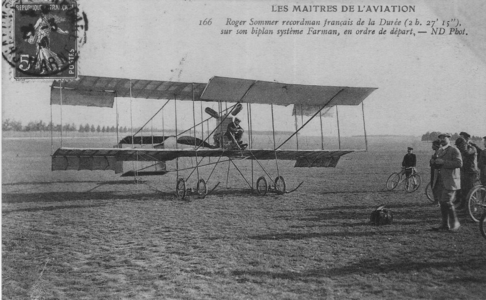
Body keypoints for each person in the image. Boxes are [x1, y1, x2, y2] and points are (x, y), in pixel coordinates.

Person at [430, 133, 462, 232]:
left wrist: (443, 162)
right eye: (440, 138)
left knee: (447, 202)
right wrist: (433, 162)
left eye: (444, 138)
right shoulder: (440, 150)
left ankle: (455, 224)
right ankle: (445, 224)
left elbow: (459, 163)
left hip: (451, 180)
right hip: (441, 180)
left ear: (449, 139)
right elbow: (438, 165)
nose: (442, 140)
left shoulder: (454, 150)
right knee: (443, 203)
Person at [454, 131, 479, 210]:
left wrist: (465, 144)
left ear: (467, 138)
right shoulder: (463, 147)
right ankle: (463, 204)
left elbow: (466, 153)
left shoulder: (472, 148)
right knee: (463, 189)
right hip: (464, 171)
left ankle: (473, 206)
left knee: (470, 189)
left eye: (463, 138)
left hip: (471, 172)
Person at [430, 140, 441, 204]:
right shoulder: (437, 152)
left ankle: (437, 200)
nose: (432, 146)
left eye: (433, 145)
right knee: (434, 185)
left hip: (436, 171)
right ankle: (436, 200)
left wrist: (432, 161)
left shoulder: (438, 152)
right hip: (434, 170)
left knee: (435, 185)